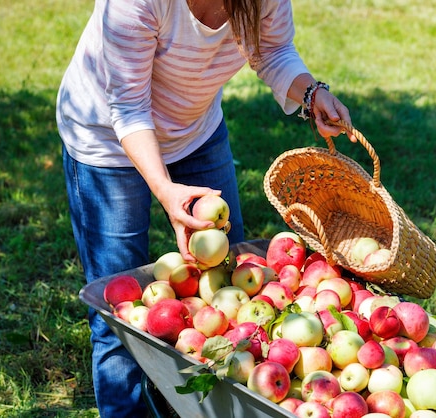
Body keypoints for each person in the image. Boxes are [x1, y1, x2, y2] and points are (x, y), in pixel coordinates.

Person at [56, 0, 353, 416]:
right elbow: (128, 107)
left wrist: (310, 92)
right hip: (106, 143)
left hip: (196, 133)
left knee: (230, 288)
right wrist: (165, 191)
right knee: (120, 319)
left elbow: (271, 49)